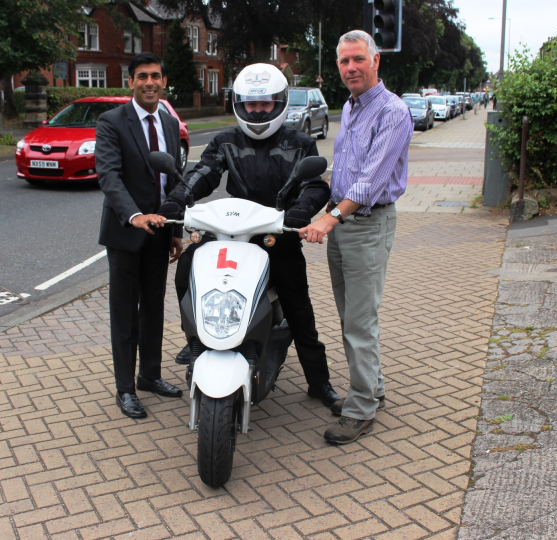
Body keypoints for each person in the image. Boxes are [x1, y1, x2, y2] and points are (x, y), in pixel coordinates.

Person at [160, 64, 342, 411]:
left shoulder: (299, 143)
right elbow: (203, 172)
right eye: (251, 104)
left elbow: (316, 185)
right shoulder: (225, 140)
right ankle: (196, 336)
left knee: (299, 308)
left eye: (266, 104)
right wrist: (177, 198)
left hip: (278, 234)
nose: (258, 111)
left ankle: (319, 383)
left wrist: (301, 209)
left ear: (280, 103)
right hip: (230, 232)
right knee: (188, 265)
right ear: (239, 104)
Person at [300, 30, 412, 445]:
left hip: (367, 224)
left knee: (360, 322)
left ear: (375, 60)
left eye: (358, 59)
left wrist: (328, 219)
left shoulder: (392, 112)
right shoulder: (349, 107)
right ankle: (373, 387)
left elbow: (368, 183)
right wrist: (318, 204)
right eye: (344, 61)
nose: (351, 68)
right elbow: (345, 171)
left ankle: (361, 408)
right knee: (352, 317)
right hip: (345, 224)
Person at [95, 52, 185, 419]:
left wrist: (175, 230)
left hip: (160, 233)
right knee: (125, 314)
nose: (150, 82)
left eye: (156, 76)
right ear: (130, 81)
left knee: (153, 308)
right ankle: (125, 388)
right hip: (126, 233)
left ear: (164, 81)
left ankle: (149, 375)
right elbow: (109, 175)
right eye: (143, 76)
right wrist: (133, 215)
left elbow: (173, 180)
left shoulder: (169, 122)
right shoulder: (112, 122)